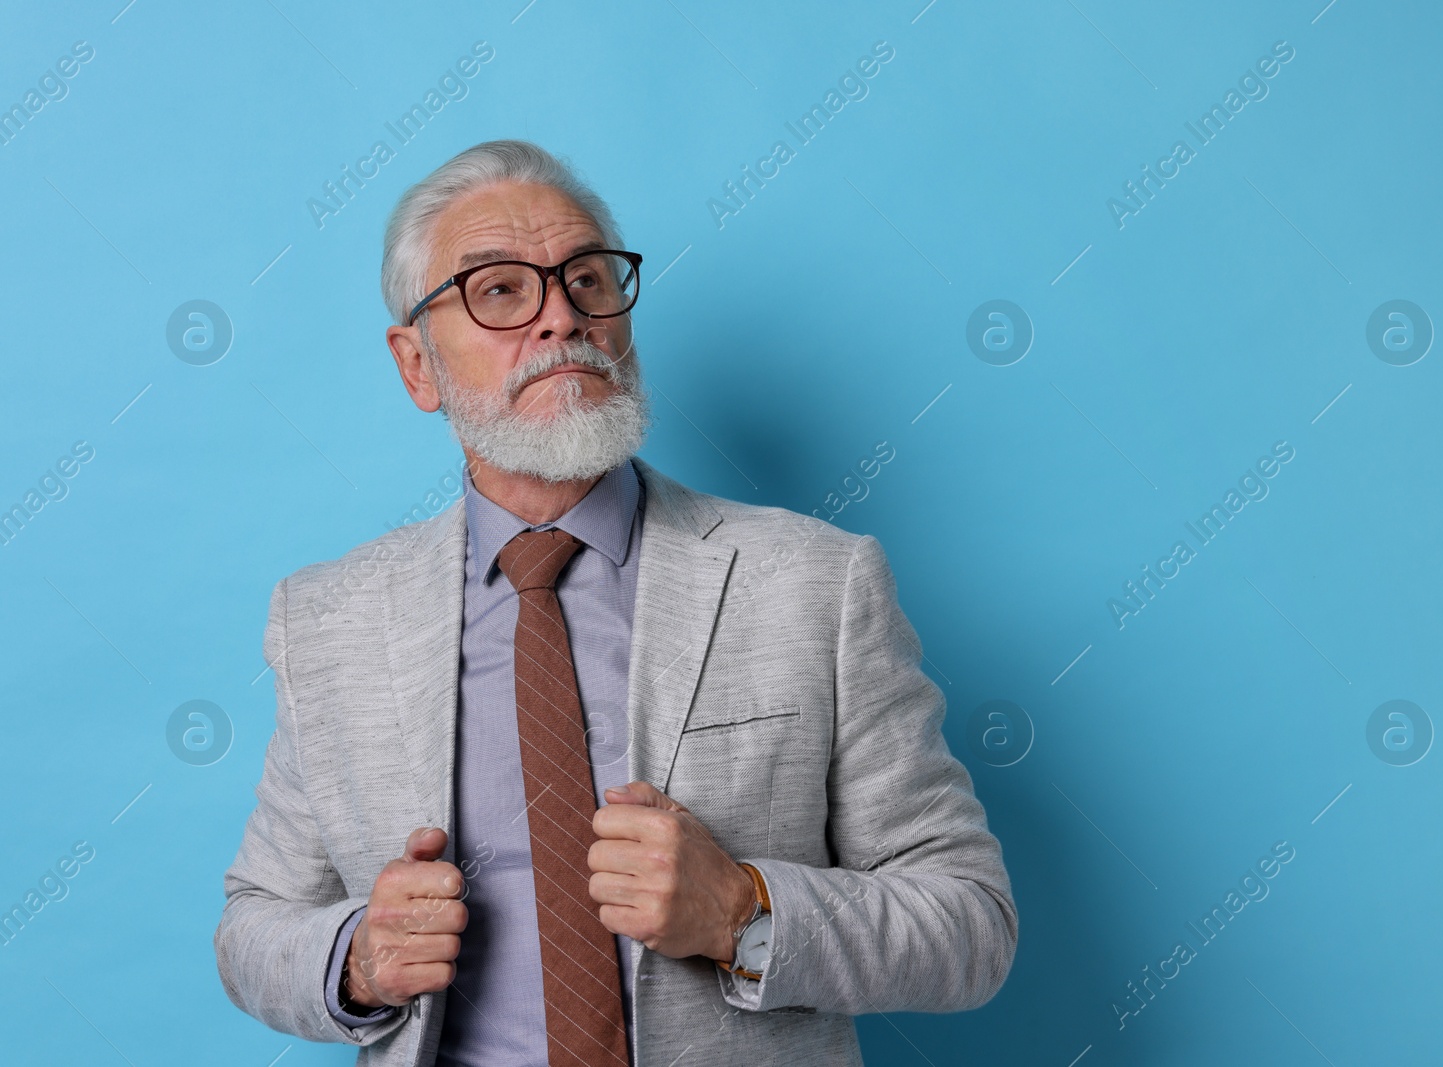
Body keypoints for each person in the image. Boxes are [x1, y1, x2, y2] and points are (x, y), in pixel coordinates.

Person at [214, 139, 1016, 1066]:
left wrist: (744, 911)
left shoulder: (817, 584)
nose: (562, 316)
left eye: (587, 278)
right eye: (501, 290)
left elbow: (971, 923)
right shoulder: (326, 620)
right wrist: (354, 958)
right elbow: (253, 927)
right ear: (417, 365)